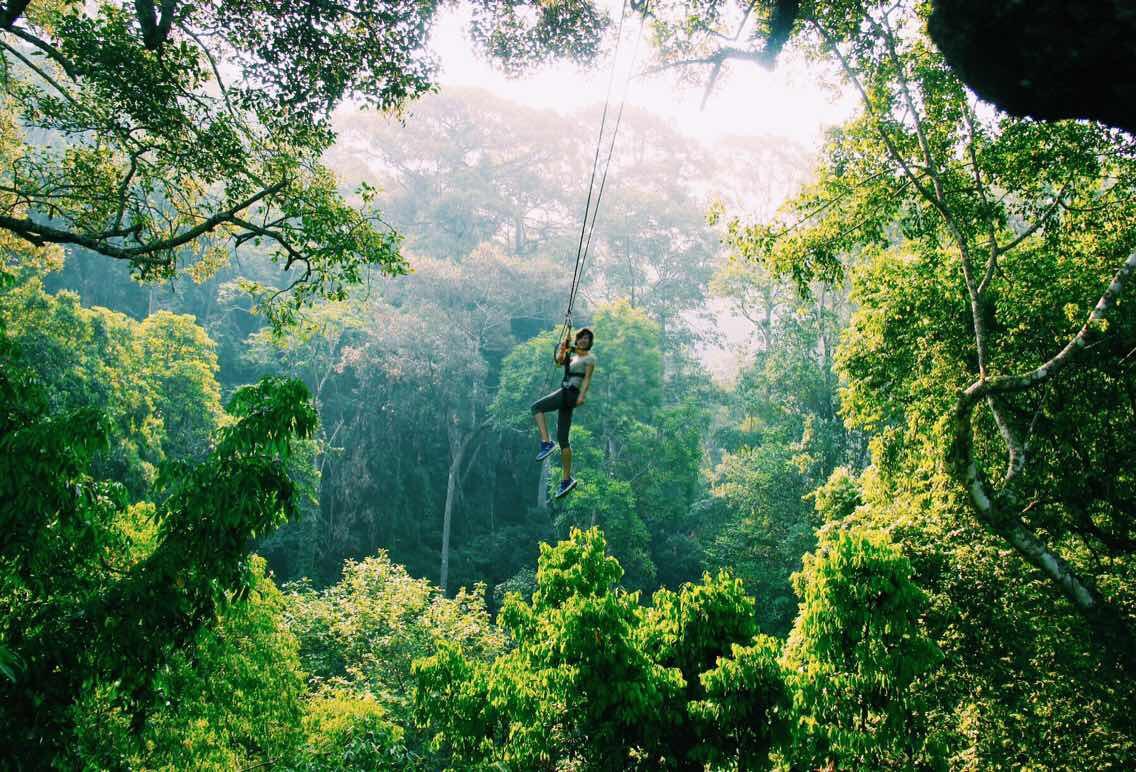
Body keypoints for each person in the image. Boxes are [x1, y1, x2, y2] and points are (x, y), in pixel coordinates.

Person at [531, 327, 596, 498]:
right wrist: (565, 343)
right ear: (577, 339)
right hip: (567, 395)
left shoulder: (589, 358)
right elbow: (559, 360)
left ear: (590, 343)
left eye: (587, 339)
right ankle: (566, 480)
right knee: (564, 440)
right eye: (581, 338)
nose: (583, 340)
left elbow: (587, 378)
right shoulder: (572, 356)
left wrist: (582, 396)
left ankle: (546, 442)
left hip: (570, 394)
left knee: (536, 407)